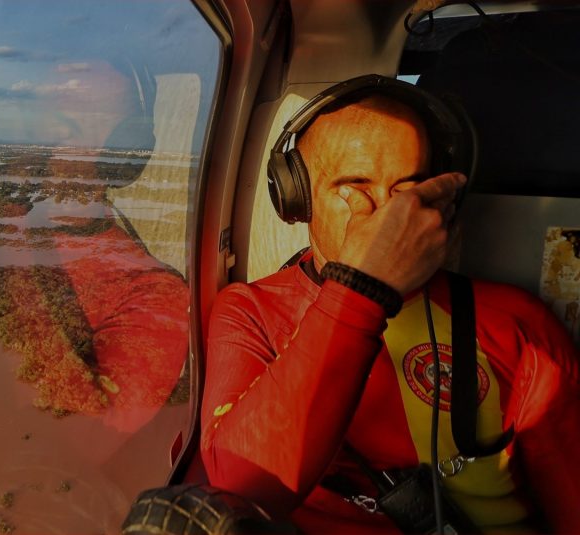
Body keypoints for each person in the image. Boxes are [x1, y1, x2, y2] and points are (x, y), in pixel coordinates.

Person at [199, 76, 580, 533]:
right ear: (297, 197)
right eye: (354, 186)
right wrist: (363, 288)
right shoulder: (251, 312)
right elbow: (242, 487)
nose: (387, 218)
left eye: (409, 189)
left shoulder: (518, 325)